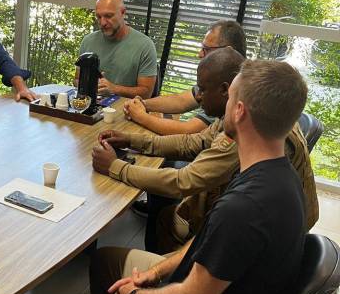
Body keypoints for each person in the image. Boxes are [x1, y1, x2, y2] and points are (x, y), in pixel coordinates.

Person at [7, 60, 311, 294]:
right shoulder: (280, 177)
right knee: (106, 261)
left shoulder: (243, 208)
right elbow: (204, 243)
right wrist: (155, 272)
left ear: (238, 111)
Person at [92, 48, 318, 251]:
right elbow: (192, 143)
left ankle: (167, 275)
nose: (197, 96)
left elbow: (183, 182)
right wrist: (131, 140)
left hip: (258, 238)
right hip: (271, 222)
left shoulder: (247, 131)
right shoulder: (252, 112)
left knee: (161, 221)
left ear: (227, 92)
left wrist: (115, 166)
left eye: (202, 89)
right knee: (167, 212)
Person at [124, 19, 247, 136]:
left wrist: (140, 116)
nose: (200, 54)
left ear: (227, 52)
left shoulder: (232, 90)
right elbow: (181, 101)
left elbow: (188, 131)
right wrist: (142, 104)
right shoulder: (220, 77)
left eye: (206, 49)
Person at [77, 0, 158, 99]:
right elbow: (77, 80)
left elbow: (146, 93)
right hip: (93, 104)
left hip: (126, 107)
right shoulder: (88, 41)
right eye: (99, 17)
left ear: (123, 13)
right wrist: (89, 84)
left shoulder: (145, 46)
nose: (103, 23)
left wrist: (114, 89)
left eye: (108, 16)